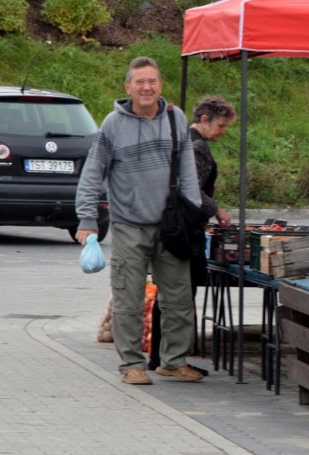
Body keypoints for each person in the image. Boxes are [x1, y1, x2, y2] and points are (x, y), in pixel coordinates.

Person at [75, 56, 205, 385]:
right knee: (128, 298)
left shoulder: (176, 119)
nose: (146, 87)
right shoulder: (112, 125)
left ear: (161, 85)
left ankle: (173, 361)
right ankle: (131, 364)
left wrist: (193, 212)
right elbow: (92, 175)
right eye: (139, 82)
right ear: (128, 87)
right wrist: (86, 220)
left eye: (152, 81)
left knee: (177, 297)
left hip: (170, 226)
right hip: (129, 225)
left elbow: (188, 172)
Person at [147, 96, 236, 372]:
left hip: (176, 225)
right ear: (205, 119)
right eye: (221, 126)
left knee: (171, 291)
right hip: (185, 229)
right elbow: (193, 189)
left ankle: (160, 356)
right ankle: (170, 357)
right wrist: (217, 209)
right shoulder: (196, 147)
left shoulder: (185, 140)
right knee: (181, 293)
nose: (223, 132)